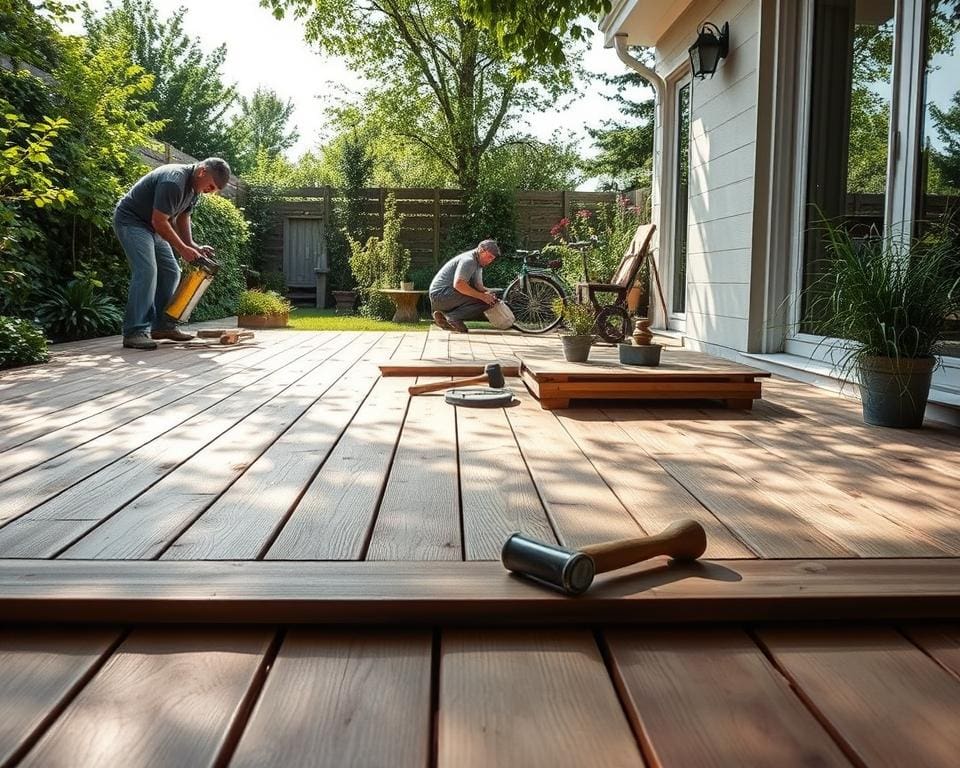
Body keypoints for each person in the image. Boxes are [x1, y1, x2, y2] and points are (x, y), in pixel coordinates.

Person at [113, 157, 231, 350]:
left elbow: (183, 217)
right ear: (202, 171)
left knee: (171, 271)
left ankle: (162, 326)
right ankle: (134, 331)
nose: (210, 192)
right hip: (131, 221)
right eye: (210, 186)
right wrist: (182, 249)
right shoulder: (174, 181)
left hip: (152, 228)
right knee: (147, 271)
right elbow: (159, 221)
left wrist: (192, 244)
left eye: (214, 190)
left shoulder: (194, 189)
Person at [429, 238, 500, 333]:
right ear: (481, 250)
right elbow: (458, 284)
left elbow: (479, 287)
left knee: (490, 299)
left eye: (492, 259)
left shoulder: (478, 264)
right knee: (485, 301)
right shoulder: (469, 260)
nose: (490, 261)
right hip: (440, 295)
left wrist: (493, 293)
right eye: (489, 257)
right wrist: (483, 297)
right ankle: (452, 317)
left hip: (444, 295)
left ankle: (447, 316)